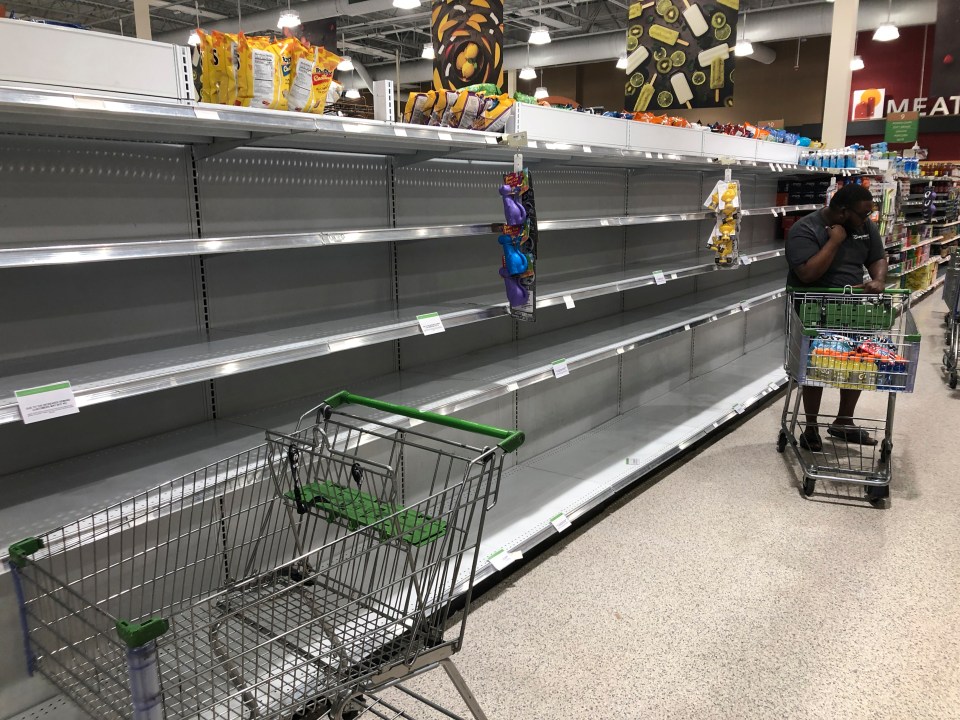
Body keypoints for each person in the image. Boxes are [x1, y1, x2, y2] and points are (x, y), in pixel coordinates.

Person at [785, 183, 888, 451]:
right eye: (863, 215)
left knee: (857, 364)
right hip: (813, 308)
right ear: (843, 212)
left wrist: (878, 279)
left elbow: (877, 256)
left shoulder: (865, 228)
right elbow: (808, 274)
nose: (867, 220)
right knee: (815, 368)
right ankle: (810, 427)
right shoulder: (804, 230)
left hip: (851, 308)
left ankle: (844, 421)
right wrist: (834, 241)